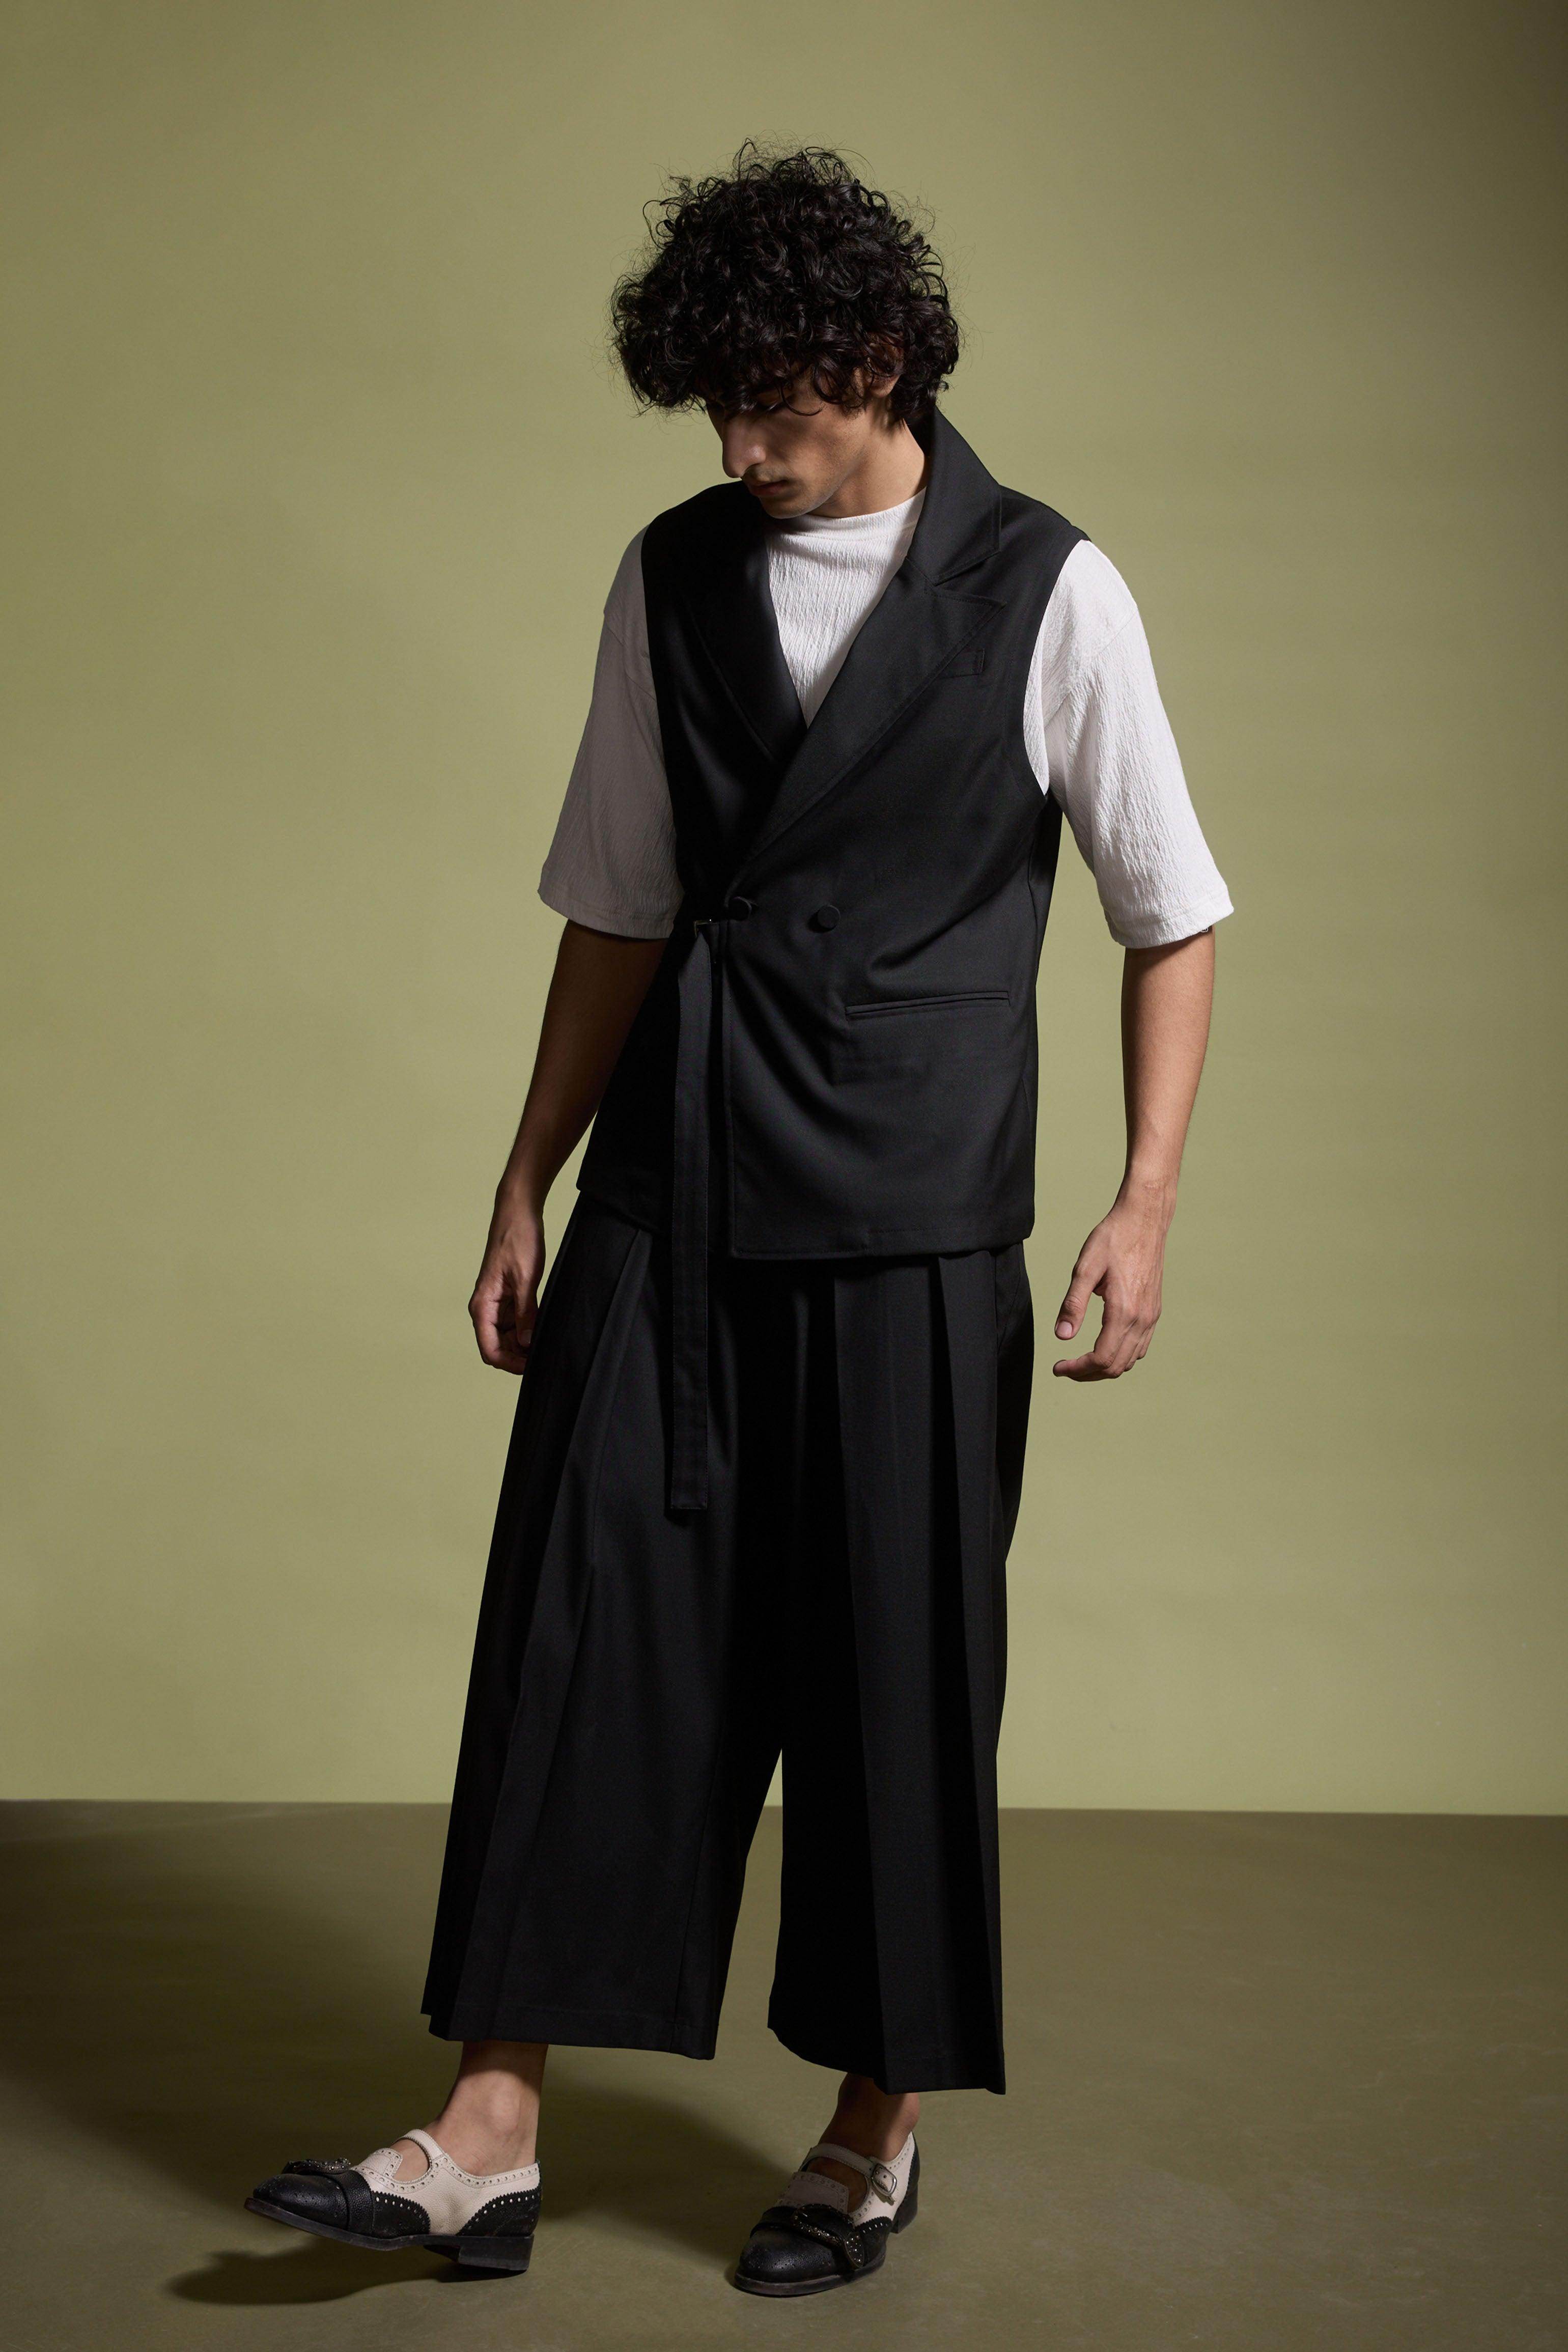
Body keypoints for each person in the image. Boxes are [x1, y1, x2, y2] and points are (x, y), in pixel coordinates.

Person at [247, 143, 1232, 2296]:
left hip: (910, 1218)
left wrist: (1143, 1202)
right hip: (673, 1189)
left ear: (876, 360)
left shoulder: (1048, 589)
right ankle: (486, 2133)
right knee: (579, 1632)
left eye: (769, 406)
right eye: (712, 409)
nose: (736, 450)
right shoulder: (672, 576)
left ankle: (872, 2129)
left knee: (893, 1674)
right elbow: (617, 900)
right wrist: (527, 1170)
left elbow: (1170, 912)